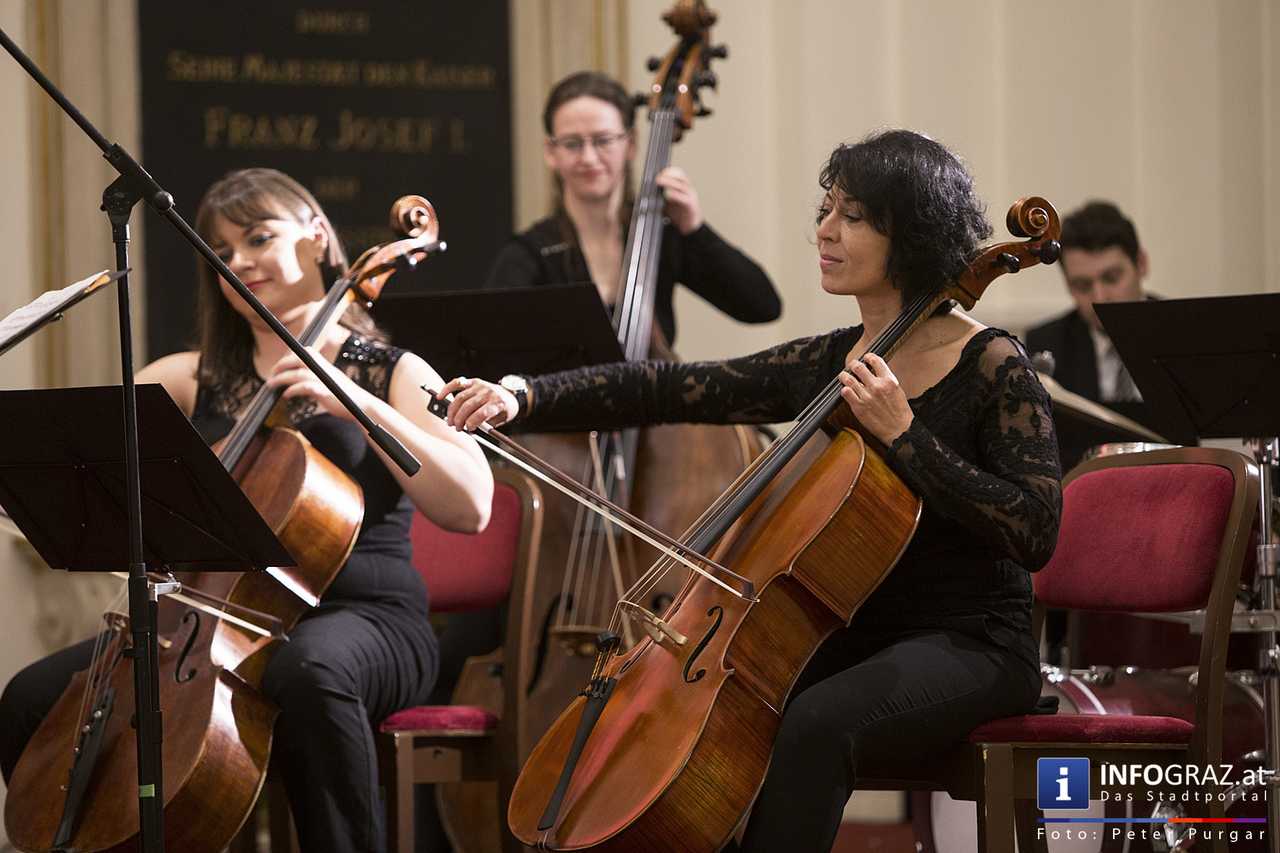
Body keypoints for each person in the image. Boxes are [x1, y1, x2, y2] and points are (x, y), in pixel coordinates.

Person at [442, 130, 1061, 853]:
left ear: (914, 235)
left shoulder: (991, 362)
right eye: (826, 209)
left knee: (818, 720)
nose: (824, 231)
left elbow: (1035, 527)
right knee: (732, 709)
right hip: (858, 633)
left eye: (853, 217)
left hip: (976, 643)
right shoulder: (838, 359)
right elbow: (669, 387)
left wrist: (905, 436)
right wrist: (523, 396)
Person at [0, 168, 494, 853]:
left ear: (318, 236)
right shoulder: (189, 375)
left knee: (309, 673)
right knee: (33, 695)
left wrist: (354, 400)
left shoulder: (394, 370)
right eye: (222, 253)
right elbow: (82, 451)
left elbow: (471, 504)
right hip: (214, 623)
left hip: (366, 617)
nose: (240, 262)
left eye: (259, 237)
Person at [483, 70, 781, 349]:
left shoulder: (661, 236)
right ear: (551, 152)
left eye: (603, 140)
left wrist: (695, 229)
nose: (588, 158)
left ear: (631, 144)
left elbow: (762, 307)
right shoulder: (531, 254)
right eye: (572, 143)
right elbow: (489, 346)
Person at [1024, 200, 1150, 404]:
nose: (1099, 297)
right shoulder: (1046, 343)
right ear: (1067, 283)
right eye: (1083, 285)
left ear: (1141, 264)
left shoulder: (1185, 331)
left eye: (1111, 278)